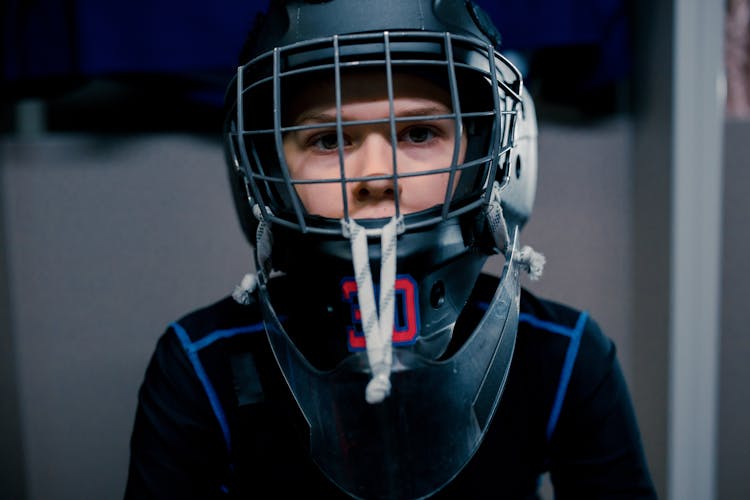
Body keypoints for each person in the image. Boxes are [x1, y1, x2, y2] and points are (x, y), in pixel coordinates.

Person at [125, 1, 657, 498]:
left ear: (488, 151)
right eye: (329, 141)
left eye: (420, 132)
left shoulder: (560, 355)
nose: (377, 176)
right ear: (269, 167)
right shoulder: (203, 363)